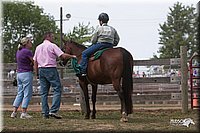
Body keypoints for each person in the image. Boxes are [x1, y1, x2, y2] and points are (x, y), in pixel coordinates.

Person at [33, 32, 76, 119]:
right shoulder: (52, 46)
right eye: (52, 36)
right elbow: (62, 56)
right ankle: (53, 111)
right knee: (57, 89)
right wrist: (72, 56)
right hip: (50, 69)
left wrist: (36, 73)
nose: (53, 38)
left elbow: (35, 61)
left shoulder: (38, 47)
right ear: (48, 36)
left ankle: (45, 113)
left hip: (41, 69)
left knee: (44, 92)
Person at [10, 37, 34, 119]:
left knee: (20, 93)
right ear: (26, 43)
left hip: (19, 73)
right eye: (30, 42)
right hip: (26, 73)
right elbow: (33, 61)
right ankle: (24, 112)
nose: (31, 43)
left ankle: (14, 112)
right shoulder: (28, 52)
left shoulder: (19, 51)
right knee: (27, 93)